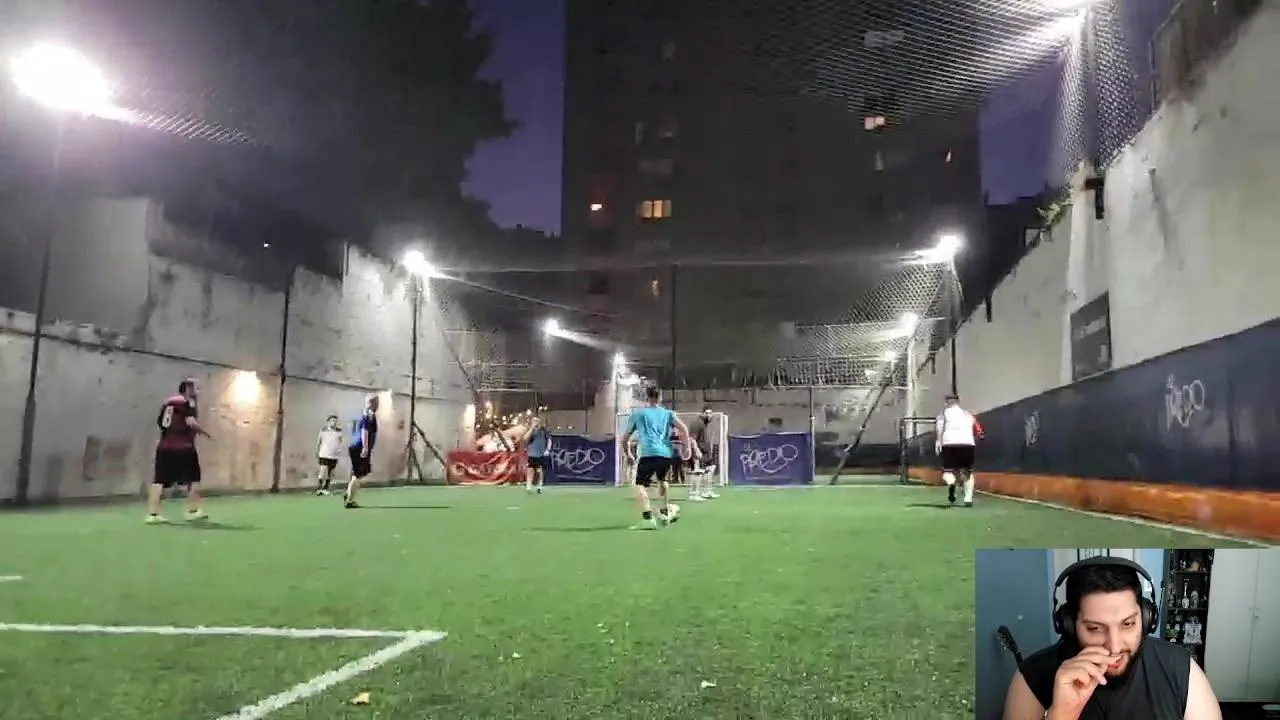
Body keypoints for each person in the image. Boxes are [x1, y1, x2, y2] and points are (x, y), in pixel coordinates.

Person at [1002, 556, 1222, 720]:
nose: (1114, 647)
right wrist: (1060, 715)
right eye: (1095, 628)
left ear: (1147, 618)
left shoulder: (1181, 670)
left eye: (1127, 624)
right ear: (1069, 625)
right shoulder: (1031, 678)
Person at [620, 386, 695, 530]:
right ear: (660, 397)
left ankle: (648, 518)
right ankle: (665, 512)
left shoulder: (638, 414)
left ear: (646, 397)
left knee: (639, 484)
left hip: (648, 452)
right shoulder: (668, 414)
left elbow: (624, 439)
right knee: (663, 480)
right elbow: (684, 429)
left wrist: (628, 453)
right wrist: (687, 448)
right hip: (665, 453)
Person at [147, 378, 212, 524]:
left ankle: (153, 514)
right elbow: (191, 422)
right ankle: (193, 511)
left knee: (159, 480)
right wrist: (206, 433)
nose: (197, 391)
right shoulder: (187, 403)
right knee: (194, 478)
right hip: (184, 448)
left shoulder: (167, 404)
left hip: (164, 447)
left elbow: (161, 424)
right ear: (188, 389)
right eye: (195, 388)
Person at [934, 394, 983, 506]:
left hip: (949, 444)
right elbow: (976, 429)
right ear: (958, 402)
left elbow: (939, 428)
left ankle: (951, 483)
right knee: (967, 472)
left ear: (947, 403)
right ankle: (968, 498)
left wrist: (938, 442)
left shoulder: (943, 414)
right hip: (967, 444)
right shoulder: (968, 414)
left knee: (948, 471)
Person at [344, 393, 379, 509]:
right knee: (358, 475)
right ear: (372, 403)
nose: (378, 405)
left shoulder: (365, 413)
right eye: (377, 402)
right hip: (359, 447)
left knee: (360, 473)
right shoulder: (368, 415)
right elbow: (365, 431)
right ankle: (349, 500)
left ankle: (348, 493)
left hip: (356, 447)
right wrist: (365, 447)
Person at [686, 406, 719, 501]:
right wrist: (697, 450)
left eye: (710, 413)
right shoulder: (697, 423)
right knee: (698, 471)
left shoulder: (705, 423)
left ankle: (707, 491)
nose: (709, 415)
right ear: (702, 413)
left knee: (711, 468)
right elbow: (692, 438)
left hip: (706, 452)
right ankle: (693, 494)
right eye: (707, 413)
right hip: (699, 452)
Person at [315, 414, 344, 496]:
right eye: (332, 421)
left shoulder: (339, 431)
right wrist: (317, 451)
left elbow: (342, 441)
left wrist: (339, 449)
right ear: (328, 421)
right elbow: (318, 442)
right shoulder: (323, 431)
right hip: (324, 454)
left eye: (335, 421)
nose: (334, 423)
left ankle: (326, 488)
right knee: (323, 470)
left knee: (330, 472)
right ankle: (319, 487)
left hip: (334, 455)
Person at [524, 416, 551, 494]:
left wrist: (547, 449)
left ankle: (539, 486)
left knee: (540, 471)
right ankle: (529, 486)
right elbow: (525, 438)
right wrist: (531, 428)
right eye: (534, 421)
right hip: (532, 453)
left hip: (541, 453)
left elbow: (549, 440)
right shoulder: (530, 430)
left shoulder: (543, 430)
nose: (535, 422)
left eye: (537, 421)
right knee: (530, 470)